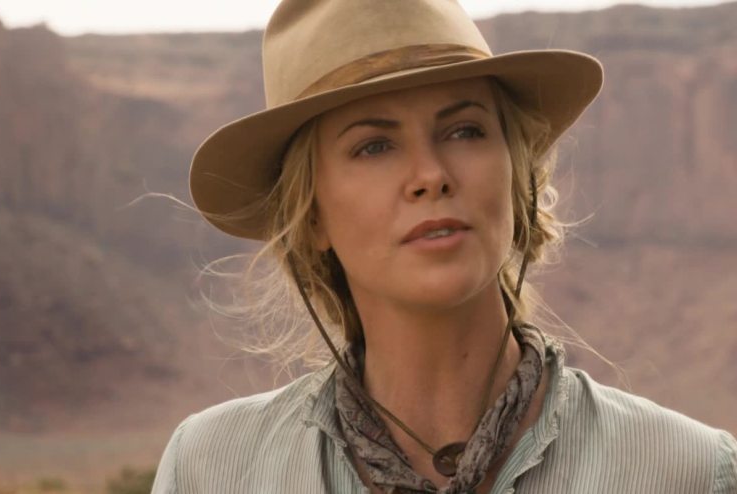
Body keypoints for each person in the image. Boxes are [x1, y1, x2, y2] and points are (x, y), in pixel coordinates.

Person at [151, 0, 737, 492]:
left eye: (465, 131)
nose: (430, 175)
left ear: (517, 176)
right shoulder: (212, 470)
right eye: (374, 146)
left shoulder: (685, 471)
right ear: (310, 216)